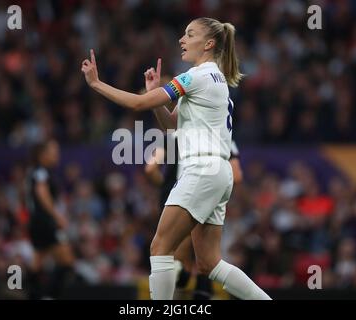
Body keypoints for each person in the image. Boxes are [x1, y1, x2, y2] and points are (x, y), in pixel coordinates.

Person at [81, 17, 270, 300]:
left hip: (201, 168)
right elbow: (172, 127)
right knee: (209, 263)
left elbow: (137, 104)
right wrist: (154, 92)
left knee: (160, 248)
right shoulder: (214, 80)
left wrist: (97, 84)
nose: (182, 39)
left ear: (208, 43)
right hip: (217, 171)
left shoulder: (196, 76)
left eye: (189, 34)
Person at [145, 137, 243, 299]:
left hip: (176, 202)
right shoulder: (221, 135)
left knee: (174, 262)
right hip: (206, 197)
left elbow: (150, 169)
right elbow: (236, 174)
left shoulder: (172, 134)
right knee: (206, 264)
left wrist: (168, 187)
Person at [26, 139, 75, 299]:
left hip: (37, 222)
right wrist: (57, 215)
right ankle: (49, 295)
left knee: (37, 262)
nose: (57, 155)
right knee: (67, 262)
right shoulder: (41, 172)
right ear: (43, 155)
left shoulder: (39, 171)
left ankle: (31, 294)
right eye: (53, 152)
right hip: (45, 222)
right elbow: (42, 193)